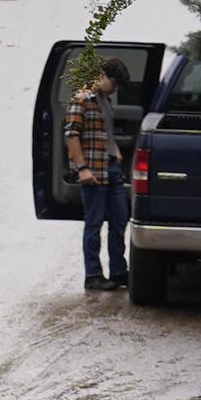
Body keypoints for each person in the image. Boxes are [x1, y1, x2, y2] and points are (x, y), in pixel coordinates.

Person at [67, 56, 132, 291]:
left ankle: (118, 271)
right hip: (93, 171)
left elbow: (106, 132)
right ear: (103, 76)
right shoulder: (81, 99)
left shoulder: (105, 101)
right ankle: (93, 275)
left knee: (120, 220)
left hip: (112, 169)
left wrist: (114, 150)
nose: (115, 90)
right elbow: (72, 135)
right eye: (114, 85)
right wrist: (82, 168)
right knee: (94, 224)